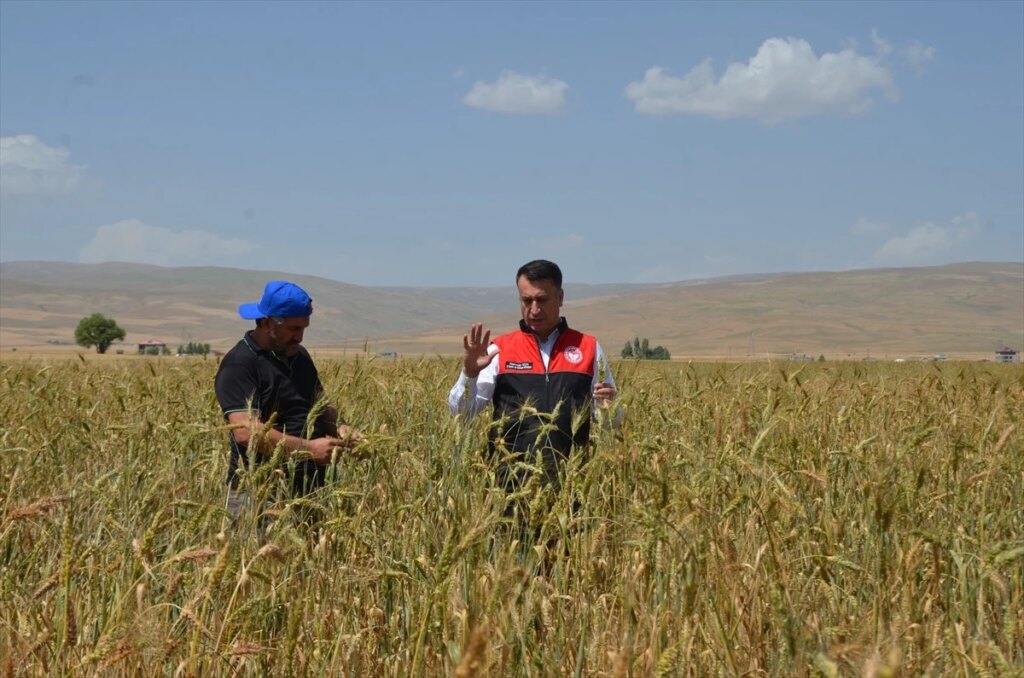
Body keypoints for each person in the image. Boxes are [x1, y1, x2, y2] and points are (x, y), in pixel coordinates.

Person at [448, 259, 620, 500]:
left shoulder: (589, 348)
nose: (534, 309)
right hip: (508, 490)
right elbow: (461, 412)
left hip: (571, 490)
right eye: (527, 300)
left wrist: (611, 406)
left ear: (560, 297)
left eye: (542, 299)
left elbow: (611, 422)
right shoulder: (500, 349)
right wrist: (469, 374)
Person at [215, 280, 362, 522]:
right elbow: (244, 431)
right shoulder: (239, 364)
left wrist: (341, 427)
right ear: (267, 322)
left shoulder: (299, 356)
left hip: (310, 487)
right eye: (293, 329)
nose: (300, 337)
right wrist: (310, 449)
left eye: (304, 328)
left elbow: (321, 404)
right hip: (259, 492)